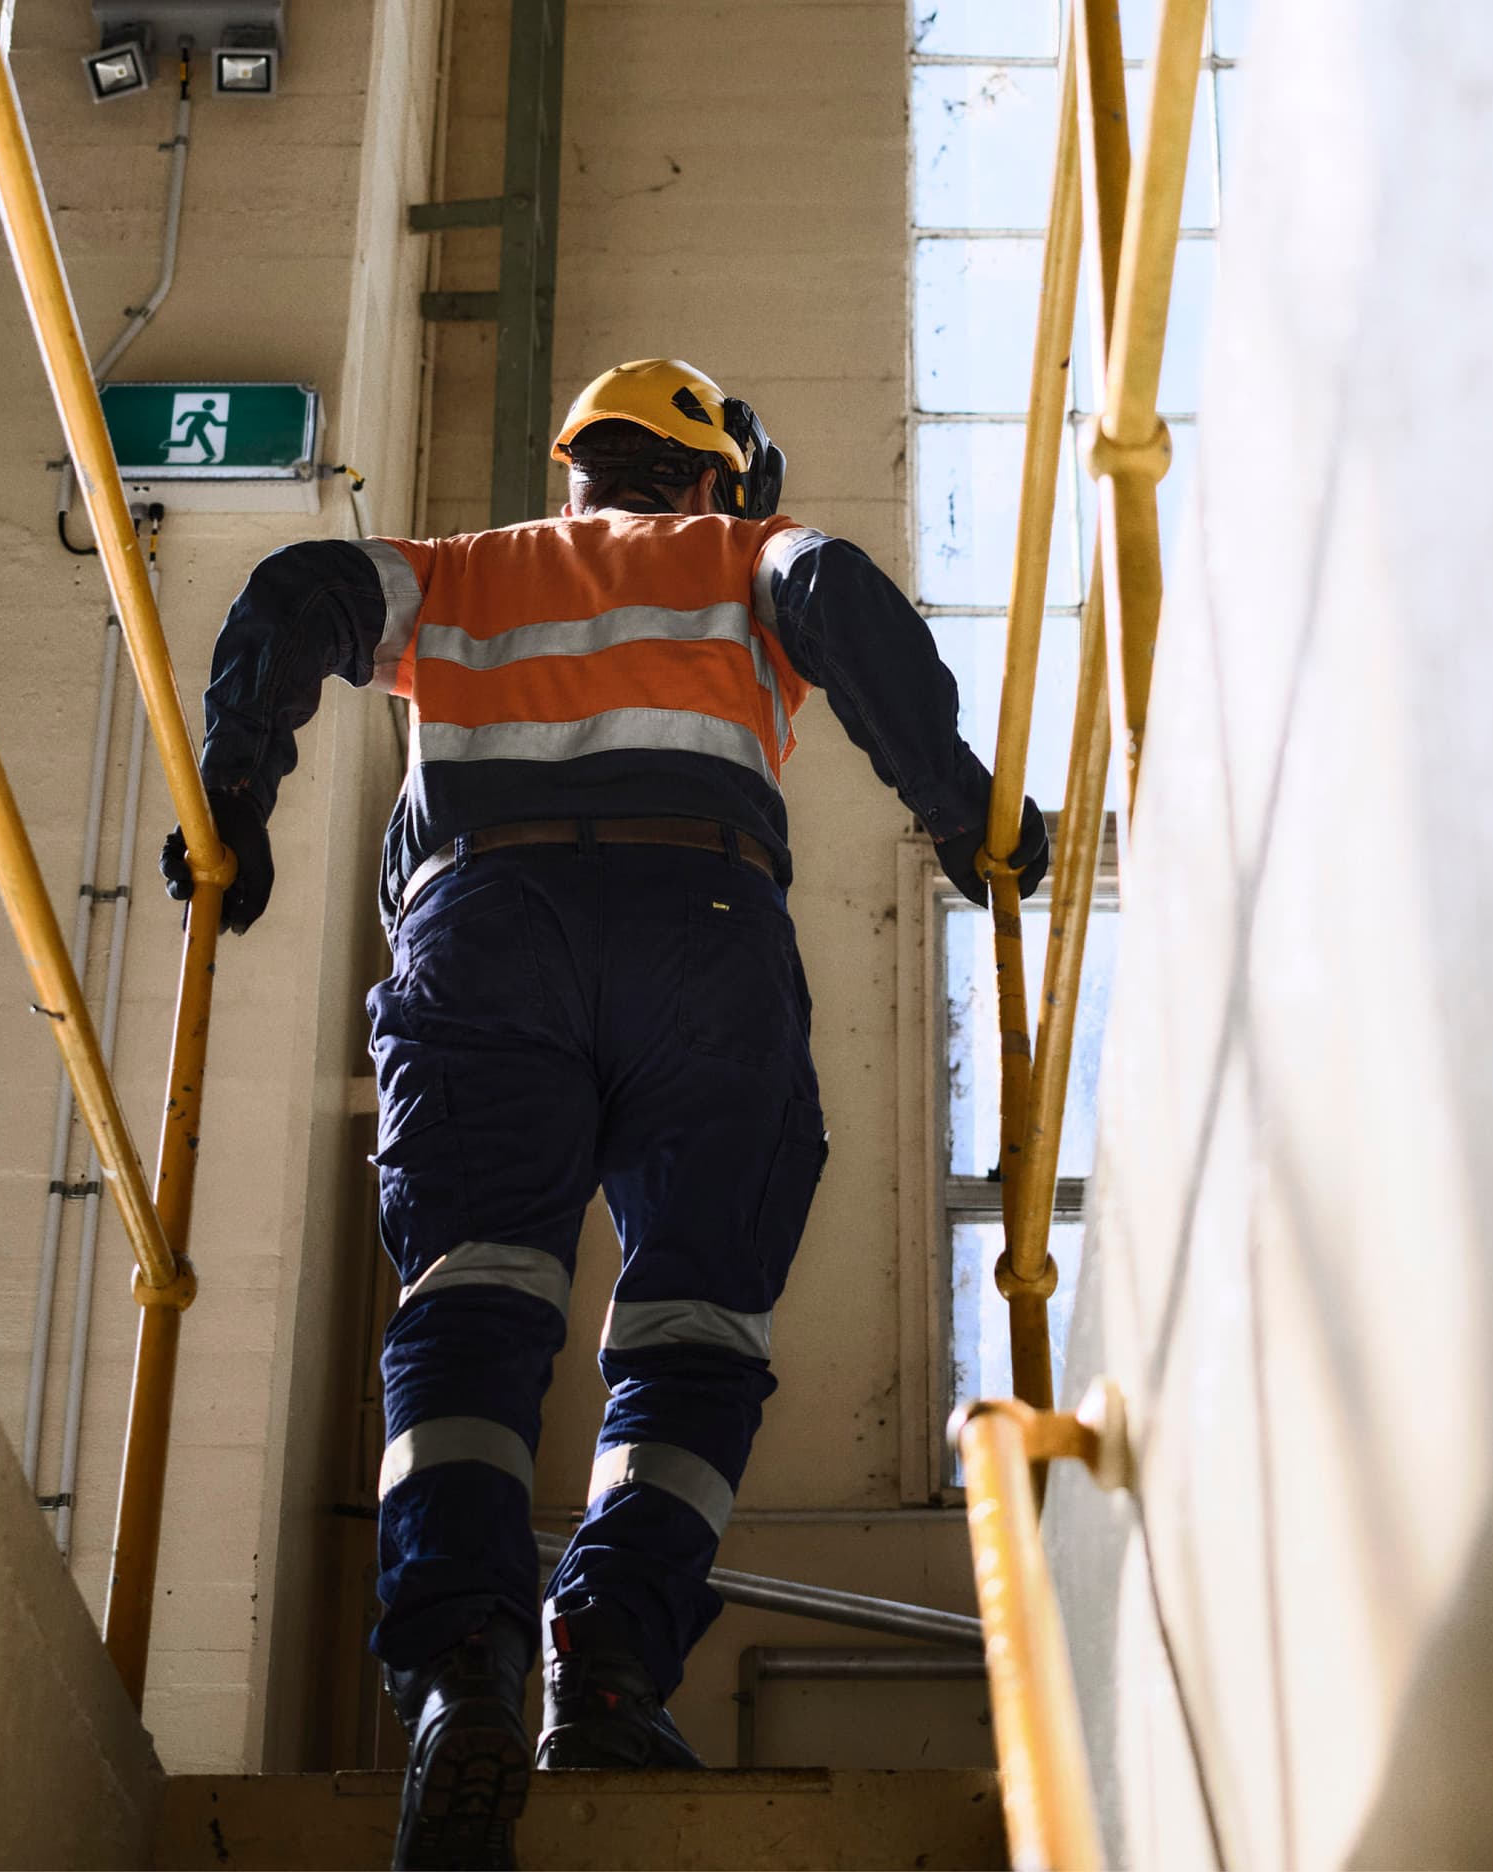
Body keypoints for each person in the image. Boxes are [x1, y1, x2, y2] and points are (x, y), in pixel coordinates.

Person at [166, 357, 1046, 1868]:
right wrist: (966, 816)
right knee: (694, 1324)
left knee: (469, 1300)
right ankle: (612, 1667)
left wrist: (233, 789)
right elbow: (839, 593)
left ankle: (460, 1670)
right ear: (716, 477)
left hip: (478, 934)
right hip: (699, 923)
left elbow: (297, 588)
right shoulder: (743, 557)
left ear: (580, 470)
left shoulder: (457, 574)